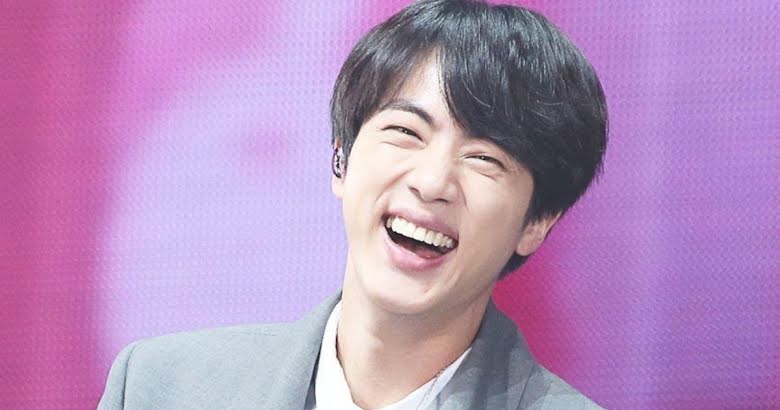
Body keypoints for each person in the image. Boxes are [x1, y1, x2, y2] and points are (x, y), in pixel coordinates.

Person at [98, 0, 607, 408]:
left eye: (484, 159)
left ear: (537, 222)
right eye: (407, 131)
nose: (432, 182)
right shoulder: (161, 388)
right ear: (340, 159)